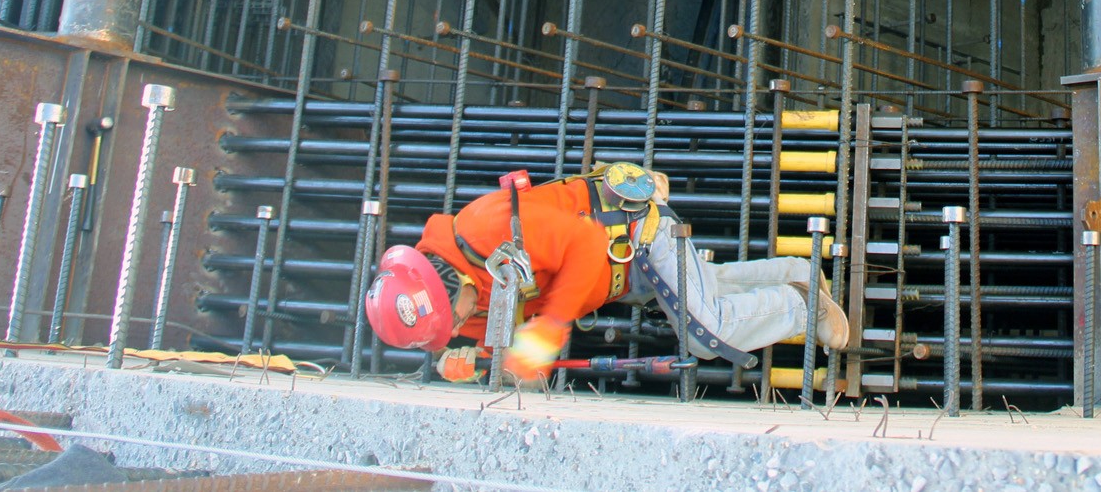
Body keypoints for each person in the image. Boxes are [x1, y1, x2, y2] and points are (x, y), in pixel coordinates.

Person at [364, 161, 850, 383]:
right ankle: (795, 272)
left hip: (635, 232)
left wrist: (550, 326)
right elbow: (506, 340)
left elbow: (585, 244)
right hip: (621, 270)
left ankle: (802, 308)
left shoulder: (488, 227)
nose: (454, 332)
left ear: (450, 282)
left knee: (706, 332)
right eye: (446, 335)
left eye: (451, 324)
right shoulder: (459, 305)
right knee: (710, 290)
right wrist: (477, 361)